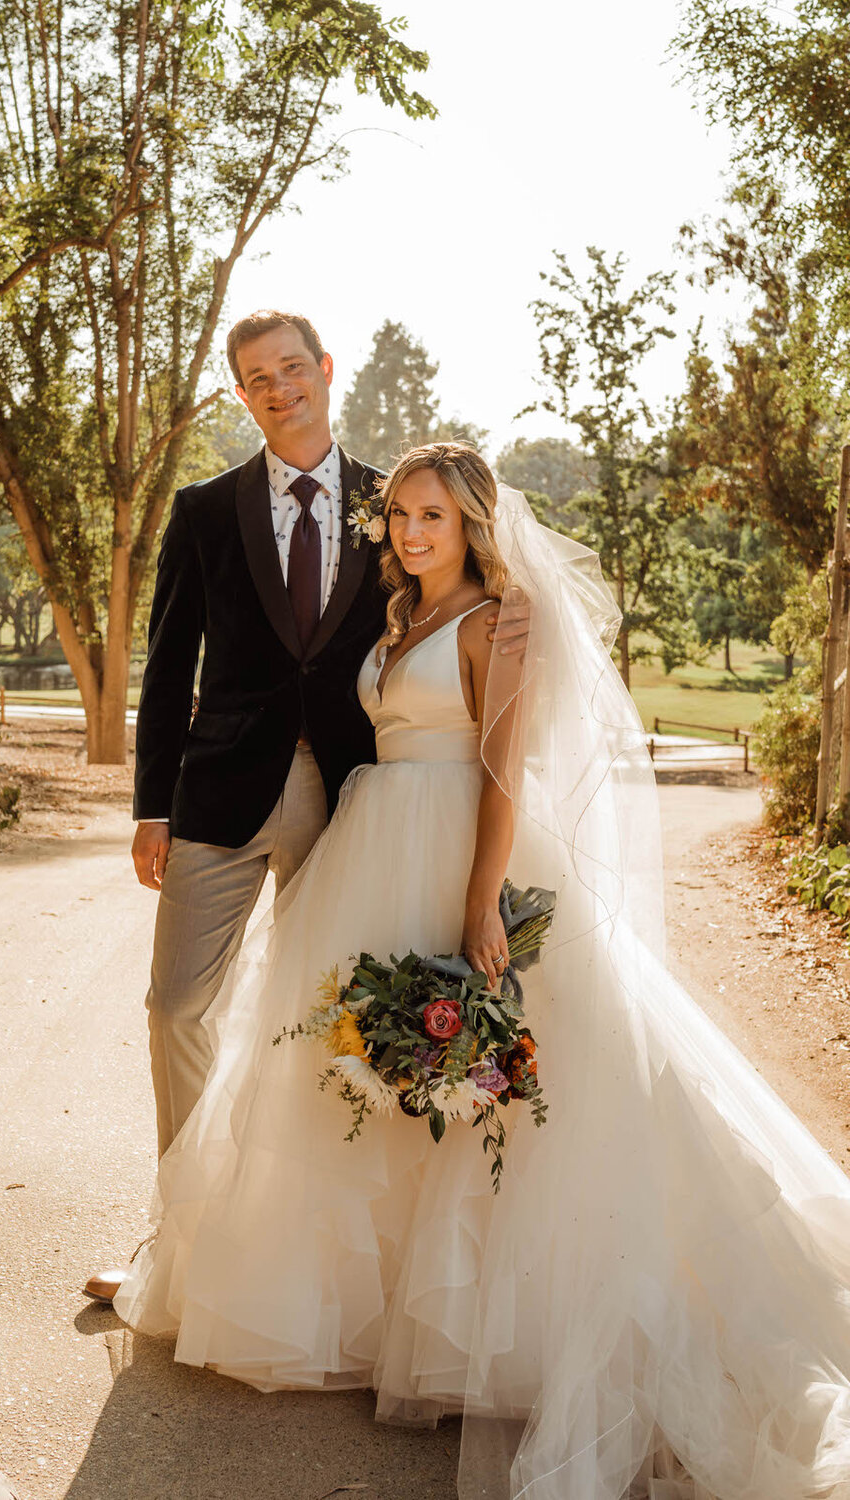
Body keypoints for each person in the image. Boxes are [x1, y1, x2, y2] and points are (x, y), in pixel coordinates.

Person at [114, 441, 850, 1500]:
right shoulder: (396, 610)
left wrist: (478, 904)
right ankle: (376, 1318)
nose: (412, 535)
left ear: (472, 525)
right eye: (401, 518)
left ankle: (486, 1332)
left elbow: (503, 773)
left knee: (503, 1093)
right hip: (376, 843)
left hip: (462, 846)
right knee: (367, 1077)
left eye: (434, 519)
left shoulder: (500, 622)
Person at [86, 316, 520, 1303]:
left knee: (327, 1030)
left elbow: (456, 608)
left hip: (355, 797)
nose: (278, 389)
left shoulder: (395, 502)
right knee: (179, 1007)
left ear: (325, 372)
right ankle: (181, 1245)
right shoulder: (204, 510)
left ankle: (317, 1263)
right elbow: (167, 665)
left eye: (292, 369)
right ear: (240, 395)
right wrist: (152, 803)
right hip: (217, 792)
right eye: (255, 378)